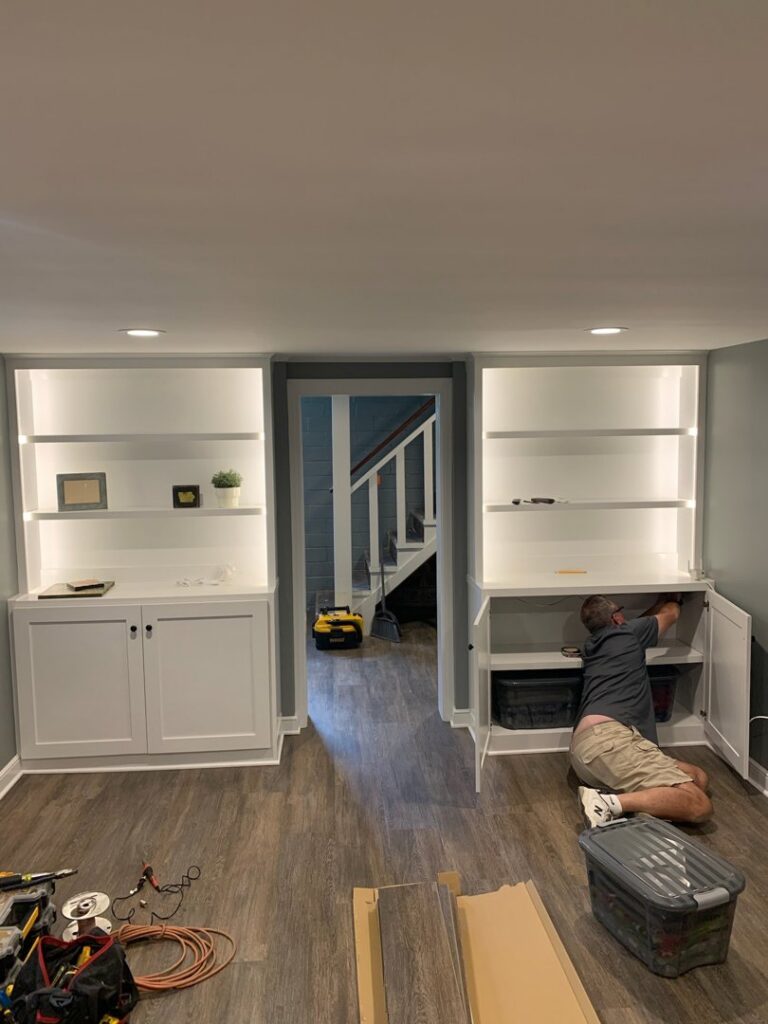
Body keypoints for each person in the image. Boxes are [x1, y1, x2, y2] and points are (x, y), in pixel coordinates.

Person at [571, 594, 712, 828]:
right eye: (621, 613)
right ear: (617, 618)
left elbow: (636, 624)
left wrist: (655, 603)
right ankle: (606, 803)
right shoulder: (629, 633)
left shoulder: (593, 645)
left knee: (698, 777)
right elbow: (670, 615)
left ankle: (640, 806)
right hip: (609, 741)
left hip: (587, 751)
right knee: (700, 805)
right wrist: (673, 599)